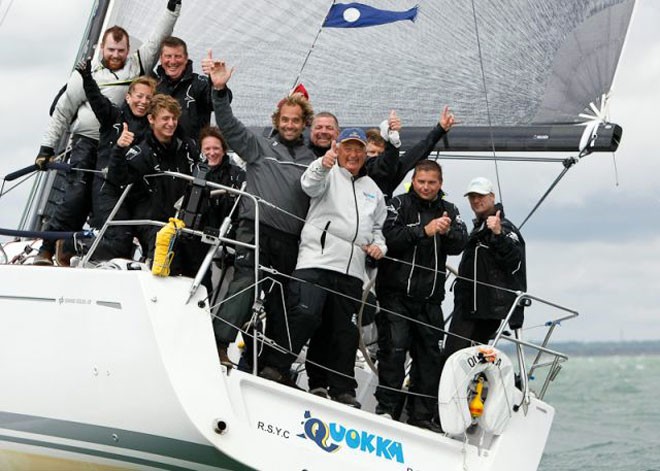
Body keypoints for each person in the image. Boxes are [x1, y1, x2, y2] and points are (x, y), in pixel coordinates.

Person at [34, 0, 182, 265]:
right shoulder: (85, 74)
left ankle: (86, 246)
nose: (116, 54)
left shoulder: (136, 65)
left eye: (121, 50)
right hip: (85, 142)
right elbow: (63, 111)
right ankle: (47, 247)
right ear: (102, 47)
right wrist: (46, 149)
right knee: (77, 195)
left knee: (120, 203)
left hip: (117, 146)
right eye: (111, 49)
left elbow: (157, 38)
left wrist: (173, 9)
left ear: (128, 49)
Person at [201, 52, 318, 369]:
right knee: (245, 284)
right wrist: (219, 92)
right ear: (276, 121)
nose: (290, 125)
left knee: (283, 300)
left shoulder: (314, 159)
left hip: (290, 241)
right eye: (285, 120)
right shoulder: (259, 147)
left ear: (304, 123)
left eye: (295, 120)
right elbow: (229, 125)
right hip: (254, 229)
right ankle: (219, 345)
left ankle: (271, 367)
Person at [259, 128, 387, 407]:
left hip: (352, 269)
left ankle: (339, 387)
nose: (353, 154)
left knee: (341, 330)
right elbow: (309, 185)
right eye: (348, 148)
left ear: (365, 154)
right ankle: (275, 367)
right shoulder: (326, 173)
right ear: (337, 148)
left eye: (358, 150)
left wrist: (380, 247)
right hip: (317, 260)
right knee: (304, 314)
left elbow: (378, 229)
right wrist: (322, 164)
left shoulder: (373, 191)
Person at [374, 160, 468, 431]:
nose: (426, 187)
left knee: (429, 358)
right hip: (395, 294)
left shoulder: (450, 210)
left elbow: (460, 244)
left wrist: (448, 230)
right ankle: (387, 409)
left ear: (440, 184)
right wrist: (423, 231)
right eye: (421, 182)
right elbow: (390, 237)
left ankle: (421, 416)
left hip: (430, 299)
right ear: (413, 181)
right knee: (394, 349)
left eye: (432, 183)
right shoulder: (398, 204)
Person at [437, 177, 526, 398]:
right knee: (460, 360)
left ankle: (442, 412)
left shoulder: (504, 227)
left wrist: (497, 234)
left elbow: (515, 259)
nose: (476, 201)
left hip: (485, 310)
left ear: (492, 197)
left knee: (453, 359)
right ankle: (457, 405)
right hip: (470, 306)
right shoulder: (479, 227)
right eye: (472, 197)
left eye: (481, 196)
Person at [66, 58, 157, 261]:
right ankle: (72, 247)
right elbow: (96, 99)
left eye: (148, 99)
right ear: (128, 97)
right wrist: (87, 76)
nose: (143, 102)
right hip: (106, 188)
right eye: (139, 97)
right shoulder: (113, 116)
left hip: (134, 191)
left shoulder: (152, 129)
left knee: (152, 237)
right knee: (120, 241)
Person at [106, 94, 199, 271]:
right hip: (152, 223)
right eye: (165, 118)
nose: (171, 123)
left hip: (182, 223)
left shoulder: (186, 148)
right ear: (151, 119)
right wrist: (118, 149)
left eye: (174, 118)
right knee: (165, 252)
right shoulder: (142, 151)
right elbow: (117, 178)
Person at [366, 106, 456, 200]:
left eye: (381, 154)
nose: (376, 157)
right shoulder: (354, 170)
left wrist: (440, 129)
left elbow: (419, 151)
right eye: (372, 152)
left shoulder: (394, 168)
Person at [153, 36, 216, 143]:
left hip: (194, 156)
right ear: (161, 58)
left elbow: (220, 104)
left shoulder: (200, 84)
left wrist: (217, 83)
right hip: (161, 156)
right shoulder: (153, 86)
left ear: (186, 58)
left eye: (177, 56)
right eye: (168, 56)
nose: (172, 61)